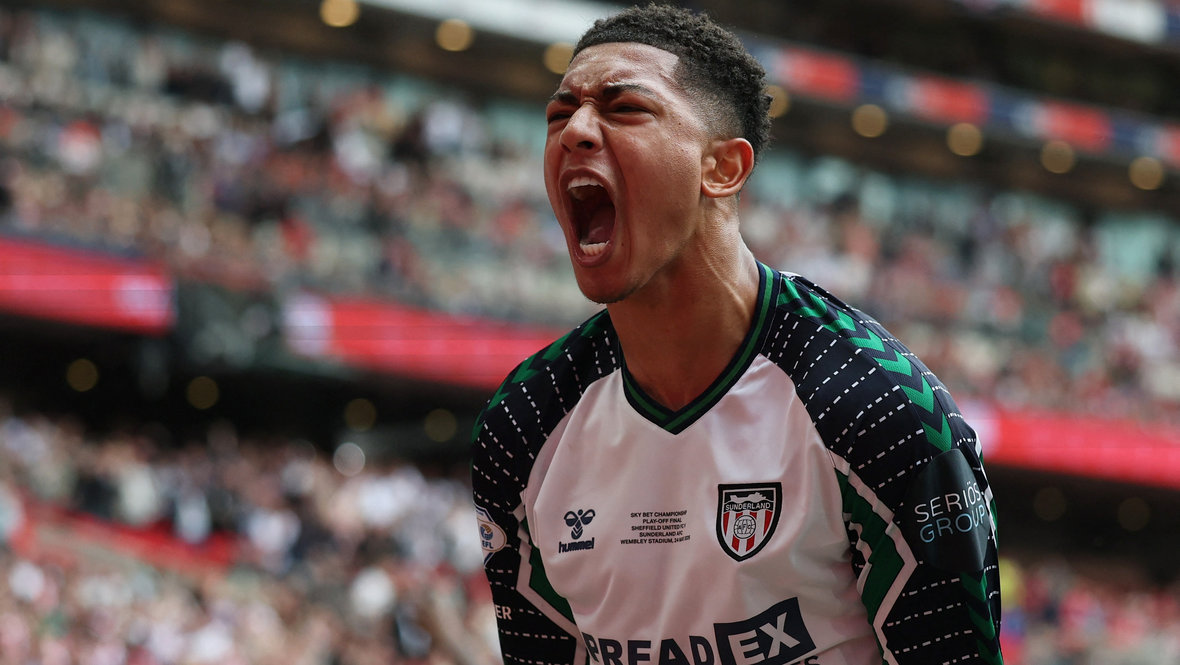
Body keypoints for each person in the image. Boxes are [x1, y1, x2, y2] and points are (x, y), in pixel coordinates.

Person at [471, 5, 1003, 665]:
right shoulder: (522, 424)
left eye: (624, 108)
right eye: (559, 115)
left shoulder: (880, 408)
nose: (575, 130)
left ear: (723, 167)